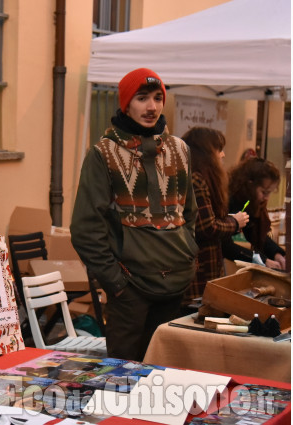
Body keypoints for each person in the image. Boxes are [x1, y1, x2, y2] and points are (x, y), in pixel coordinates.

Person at [70, 68, 198, 362]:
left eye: (157, 98)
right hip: (130, 290)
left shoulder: (180, 150)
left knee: (166, 377)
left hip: (176, 285)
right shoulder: (104, 153)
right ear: (126, 103)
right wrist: (116, 284)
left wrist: (189, 256)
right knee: (124, 378)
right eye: (142, 98)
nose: (151, 107)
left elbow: (189, 213)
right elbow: (86, 229)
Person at [181, 127, 249, 308]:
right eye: (219, 150)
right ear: (206, 154)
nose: (223, 155)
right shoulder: (197, 180)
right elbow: (206, 227)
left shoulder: (194, 179)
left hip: (203, 274)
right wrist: (235, 222)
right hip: (198, 276)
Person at [222, 157, 286, 269]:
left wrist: (277, 254)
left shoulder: (248, 202)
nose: (267, 198)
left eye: (269, 193)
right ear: (250, 185)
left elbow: (255, 233)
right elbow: (224, 245)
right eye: (264, 192)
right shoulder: (228, 199)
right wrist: (263, 260)